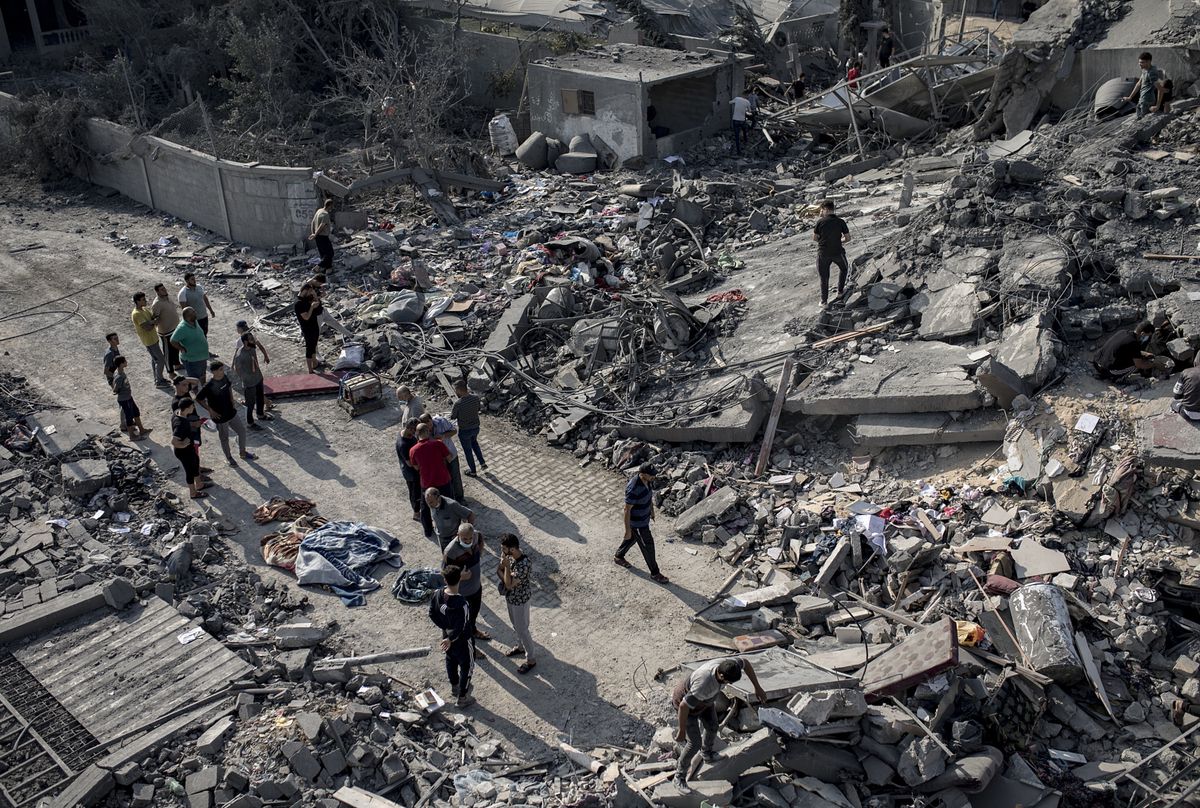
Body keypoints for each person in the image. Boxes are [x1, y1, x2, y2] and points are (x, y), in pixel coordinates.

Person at [672, 657, 768, 787]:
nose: (729, 684)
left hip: (706, 700)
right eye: (728, 682)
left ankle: (707, 753)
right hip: (686, 705)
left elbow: (745, 662)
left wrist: (757, 687)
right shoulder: (704, 684)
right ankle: (679, 776)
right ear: (721, 676)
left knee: (712, 726)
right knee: (694, 744)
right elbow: (684, 706)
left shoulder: (729, 666)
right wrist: (682, 730)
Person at [615, 463, 669, 584]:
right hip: (638, 523)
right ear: (643, 474)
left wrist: (652, 511)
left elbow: (649, 496)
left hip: (644, 519)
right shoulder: (633, 488)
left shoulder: (647, 481)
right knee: (648, 546)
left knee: (633, 538)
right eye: (651, 475)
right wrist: (627, 530)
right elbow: (627, 510)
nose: (653, 477)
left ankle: (618, 556)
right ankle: (655, 573)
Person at [429, 564, 474, 707]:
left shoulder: (437, 594)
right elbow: (462, 625)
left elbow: (432, 613)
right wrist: (451, 637)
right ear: (460, 579)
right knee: (467, 666)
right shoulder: (462, 604)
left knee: (450, 661)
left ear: (445, 579)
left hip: (446, 637)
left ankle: (455, 686)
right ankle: (462, 697)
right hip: (463, 640)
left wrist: (446, 631)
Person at [195, 361, 256, 467]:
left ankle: (243, 452)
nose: (223, 371)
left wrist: (232, 399)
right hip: (220, 417)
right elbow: (199, 399)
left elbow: (228, 386)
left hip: (231, 412)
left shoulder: (225, 377)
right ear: (214, 372)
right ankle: (229, 458)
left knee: (241, 431)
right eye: (220, 370)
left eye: (222, 369)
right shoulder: (209, 386)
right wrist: (210, 410)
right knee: (224, 438)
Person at [444, 524, 490, 646]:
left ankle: (473, 631)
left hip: (476, 588)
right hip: (463, 593)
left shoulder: (475, 535)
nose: (469, 541)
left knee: (474, 613)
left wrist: (480, 551)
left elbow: (480, 538)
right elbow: (445, 575)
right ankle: (470, 646)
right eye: (465, 539)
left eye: (470, 538)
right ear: (458, 535)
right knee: (463, 620)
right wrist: (461, 576)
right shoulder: (450, 551)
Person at [498, 533, 536, 675]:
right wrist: (505, 570)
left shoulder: (524, 564)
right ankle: (520, 647)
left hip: (521, 601)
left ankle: (531, 659)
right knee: (516, 625)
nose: (502, 552)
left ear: (512, 549)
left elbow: (508, 584)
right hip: (511, 598)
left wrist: (506, 567)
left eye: (504, 549)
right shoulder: (511, 557)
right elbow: (498, 572)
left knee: (522, 629)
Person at [410, 424, 453, 538]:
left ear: (416, 434)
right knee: (449, 503)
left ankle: (428, 531)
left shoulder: (413, 450)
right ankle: (451, 527)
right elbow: (449, 458)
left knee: (425, 508)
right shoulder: (438, 443)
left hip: (427, 483)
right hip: (443, 479)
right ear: (428, 431)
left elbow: (416, 467)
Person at [812, 200, 851, 307]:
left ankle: (824, 302)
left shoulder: (820, 222)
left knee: (824, 277)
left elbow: (815, 238)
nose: (821, 212)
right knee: (844, 269)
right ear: (833, 209)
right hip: (837, 251)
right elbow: (848, 238)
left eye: (822, 210)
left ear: (825, 209)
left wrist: (824, 241)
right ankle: (840, 292)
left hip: (823, 253)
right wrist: (839, 241)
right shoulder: (841, 221)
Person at [420, 412, 465, 502]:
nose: (428, 427)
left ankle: (460, 498)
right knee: (445, 479)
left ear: (431, 420)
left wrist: (443, 436)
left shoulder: (441, 422)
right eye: (425, 425)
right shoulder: (423, 430)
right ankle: (449, 499)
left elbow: (454, 431)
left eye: (428, 423)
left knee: (455, 477)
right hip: (438, 460)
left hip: (450, 454)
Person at [171, 397, 207, 499]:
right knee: (189, 471)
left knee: (196, 461)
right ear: (187, 408)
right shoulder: (180, 423)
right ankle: (193, 493)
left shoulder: (177, 412)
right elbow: (174, 441)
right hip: (183, 451)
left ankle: (199, 484)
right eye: (192, 406)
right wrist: (183, 444)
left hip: (188, 449)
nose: (193, 408)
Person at [233, 333, 271, 430]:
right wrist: (245, 380)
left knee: (260, 397)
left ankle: (260, 414)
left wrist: (265, 356)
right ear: (245, 342)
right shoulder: (240, 355)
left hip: (258, 377)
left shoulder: (252, 348)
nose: (253, 341)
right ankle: (250, 423)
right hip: (249, 382)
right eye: (251, 339)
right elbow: (238, 369)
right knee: (250, 403)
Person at [131, 292, 169, 387]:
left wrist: (152, 322)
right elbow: (147, 327)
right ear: (137, 301)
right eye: (143, 299)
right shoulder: (137, 314)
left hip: (153, 339)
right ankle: (159, 381)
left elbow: (153, 320)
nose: (145, 300)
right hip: (149, 341)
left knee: (155, 360)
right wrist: (153, 322)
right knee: (160, 360)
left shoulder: (144, 310)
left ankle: (158, 378)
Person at [451, 381, 487, 476]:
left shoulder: (458, 403)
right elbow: (478, 409)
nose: (455, 392)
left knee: (468, 451)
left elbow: (453, 417)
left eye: (455, 390)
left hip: (465, 431)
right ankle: (482, 463)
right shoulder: (475, 398)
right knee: (474, 443)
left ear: (459, 389)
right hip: (475, 428)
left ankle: (473, 471)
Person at [111, 357, 150, 440]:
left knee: (136, 412)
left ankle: (142, 430)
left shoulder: (119, 371)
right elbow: (115, 389)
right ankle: (132, 436)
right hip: (124, 399)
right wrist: (119, 391)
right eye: (125, 361)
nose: (126, 362)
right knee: (129, 417)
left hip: (128, 397)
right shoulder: (119, 376)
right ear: (121, 364)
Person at [306, 273, 354, 339]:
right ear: (316, 281)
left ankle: (352, 336)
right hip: (316, 314)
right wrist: (319, 296)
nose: (320, 285)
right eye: (319, 284)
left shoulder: (315, 284)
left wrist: (322, 292)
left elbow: (322, 294)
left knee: (336, 323)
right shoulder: (307, 288)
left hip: (322, 310)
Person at [171, 308, 211, 383]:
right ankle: (196, 392)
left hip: (202, 356)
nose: (195, 312)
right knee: (194, 380)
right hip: (192, 360)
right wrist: (181, 348)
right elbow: (173, 340)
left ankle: (204, 390)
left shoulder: (194, 321)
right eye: (193, 312)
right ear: (188, 316)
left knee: (202, 375)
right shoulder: (182, 328)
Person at [395, 419, 423, 521]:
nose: (416, 433)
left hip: (414, 469)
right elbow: (409, 463)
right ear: (409, 428)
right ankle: (416, 513)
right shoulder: (403, 444)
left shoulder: (407, 435)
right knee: (414, 492)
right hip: (411, 473)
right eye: (415, 431)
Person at [152, 283, 183, 375]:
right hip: (166, 332)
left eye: (164, 288)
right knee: (168, 353)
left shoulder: (167, 297)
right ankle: (170, 372)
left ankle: (177, 364)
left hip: (175, 329)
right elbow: (155, 318)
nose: (164, 290)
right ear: (157, 292)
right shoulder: (157, 303)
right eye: (162, 289)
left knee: (175, 348)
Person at [1125, 52, 1165, 119]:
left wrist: (1157, 106)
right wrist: (1130, 97)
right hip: (1141, 101)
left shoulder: (1152, 73)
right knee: (1139, 120)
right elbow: (1139, 84)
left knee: (1144, 123)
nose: (1140, 64)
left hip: (1147, 102)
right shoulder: (1144, 70)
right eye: (1139, 62)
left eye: (1142, 62)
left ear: (1148, 62)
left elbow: (1160, 89)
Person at [177, 272, 215, 339]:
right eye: (192, 279)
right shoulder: (183, 293)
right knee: (197, 337)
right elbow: (185, 309)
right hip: (194, 320)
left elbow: (205, 298)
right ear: (187, 281)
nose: (194, 281)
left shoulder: (199, 287)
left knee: (204, 334)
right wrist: (189, 322)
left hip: (204, 316)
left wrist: (211, 310)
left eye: (194, 279)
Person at [295, 284, 323, 374]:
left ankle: (315, 363)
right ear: (305, 290)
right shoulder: (298, 304)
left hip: (314, 325)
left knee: (314, 345)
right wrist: (311, 307)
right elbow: (306, 317)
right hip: (307, 328)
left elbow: (319, 309)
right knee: (309, 348)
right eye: (310, 291)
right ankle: (310, 370)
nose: (311, 293)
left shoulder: (307, 299)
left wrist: (315, 297)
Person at [103, 333, 127, 434]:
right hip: (114, 379)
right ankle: (123, 424)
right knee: (123, 401)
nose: (117, 340)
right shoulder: (109, 354)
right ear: (109, 341)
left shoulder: (115, 349)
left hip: (118, 377)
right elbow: (106, 371)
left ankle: (126, 421)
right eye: (114, 339)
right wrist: (115, 380)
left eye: (117, 338)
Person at [310, 198, 335, 270]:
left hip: (317, 237)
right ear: (329, 205)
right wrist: (315, 234)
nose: (332, 208)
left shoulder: (319, 211)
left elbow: (313, 222)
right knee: (330, 253)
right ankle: (319, 266)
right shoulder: (325, 214)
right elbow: (322, 225)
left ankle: (328, 268)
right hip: (323, 237)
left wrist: (313, 233)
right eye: (332, 206)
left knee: (323, 254)